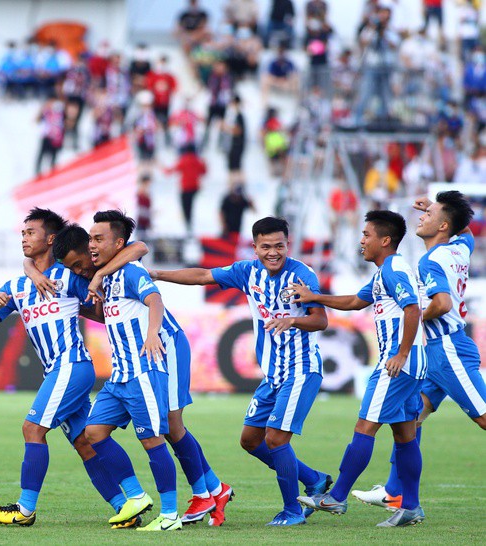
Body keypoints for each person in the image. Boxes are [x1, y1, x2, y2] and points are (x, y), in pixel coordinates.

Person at [51, 217, 233, 528]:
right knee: (164, 429)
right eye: (75, 269)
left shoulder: (122, 265)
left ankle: (205, 493)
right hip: (129, 363)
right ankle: (213, 489)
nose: (81, 271)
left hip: (164, 345)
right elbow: (106, 313)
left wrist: (150, 331)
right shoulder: (99, 274)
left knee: (171, 428)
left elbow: (140, 248)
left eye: (81, 263)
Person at [149, 216, 331, 526]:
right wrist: (157, 274)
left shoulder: (302, 276)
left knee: (276, 439)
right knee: (250, 440)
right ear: (255, 247)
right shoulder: (248, 271)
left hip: (301, 369)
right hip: (272, 375)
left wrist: (293, 320)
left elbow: (321, 320)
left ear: (288, 244)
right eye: (266, 247)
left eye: (279, 246)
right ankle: (313, 480)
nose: (273, 252)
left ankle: (293, 510)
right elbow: (204, 275)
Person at [0, 208, 149, 527]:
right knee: (85, 443)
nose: (24, 238)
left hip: (72, 364)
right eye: (23, 233)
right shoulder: (16, 285)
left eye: (31, 233)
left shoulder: (69, 275)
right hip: (58, 370)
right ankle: (128, 505)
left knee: (32, 429)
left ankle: (24, 509)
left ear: (51, 238)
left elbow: (100, 304)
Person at [352, 192, 486, 511]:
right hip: (441, 351)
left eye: (431, 213)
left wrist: (408, 316)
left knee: (483, 418)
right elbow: (464, 231)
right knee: (412, 419)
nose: (422, 216)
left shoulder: (431, 260)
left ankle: (394, 491)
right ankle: (395, 492)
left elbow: (441, 304)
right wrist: (443, 213)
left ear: (443, 225)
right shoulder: (459, 247)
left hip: (446, 350)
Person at [294, 210, 427, 528]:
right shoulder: (384, 272)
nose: (361, 240)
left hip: (398, 363)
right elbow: (356, 300)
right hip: (413, 362)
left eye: (366, 235)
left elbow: (413, 308)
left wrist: (401, 353)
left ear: (385, 240)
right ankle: (410, 507)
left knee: (364, 427)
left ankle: (336, 496)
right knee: (405, 435)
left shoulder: (394, 269)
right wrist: (315, 297)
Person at [163, 149, 207, 234]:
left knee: (185, 205)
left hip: (185, 187)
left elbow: (170, 171)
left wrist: (163, 168)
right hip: (195, 187)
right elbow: (204, 172)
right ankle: (189, 221)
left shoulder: (183, 160)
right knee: (190, 204)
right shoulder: (197, 160)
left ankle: (187, 222)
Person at [35, 95, 65, 174]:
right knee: (41, 156)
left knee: (53, 158)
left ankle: (52, 173)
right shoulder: (45, 112)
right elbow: (37, 121)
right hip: (46, 137)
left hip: (56, 138)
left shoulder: (60, 112)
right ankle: (38, 172)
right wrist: (42, 110)